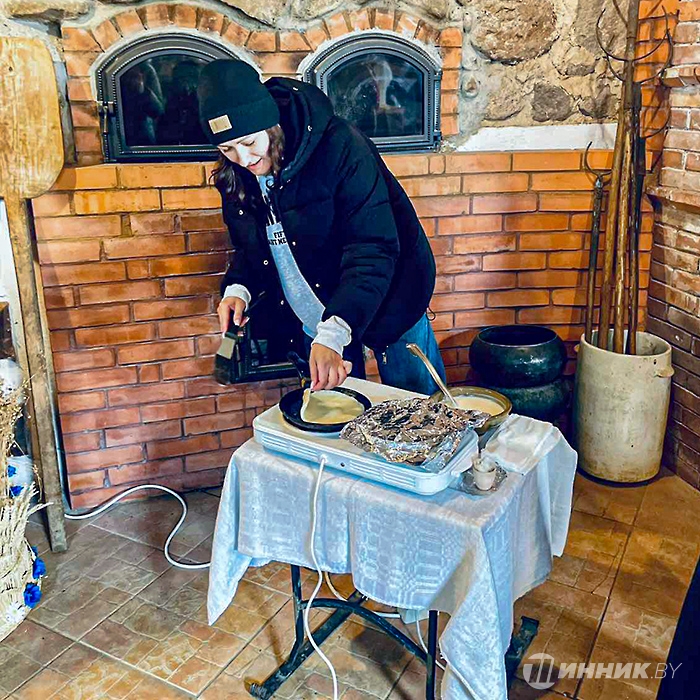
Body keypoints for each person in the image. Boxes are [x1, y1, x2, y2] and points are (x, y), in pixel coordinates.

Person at [197, 59, 446, 394]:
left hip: (392, 295)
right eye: (227, 148)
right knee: (340, 411)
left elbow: (373, 248)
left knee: (421, 404)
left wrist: (335, 332)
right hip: (316, 314)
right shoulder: (236, 175)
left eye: (250, 143)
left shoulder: (341, 147)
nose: (244, 159)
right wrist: (237, 289)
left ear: (271, 125)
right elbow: (253, 246)